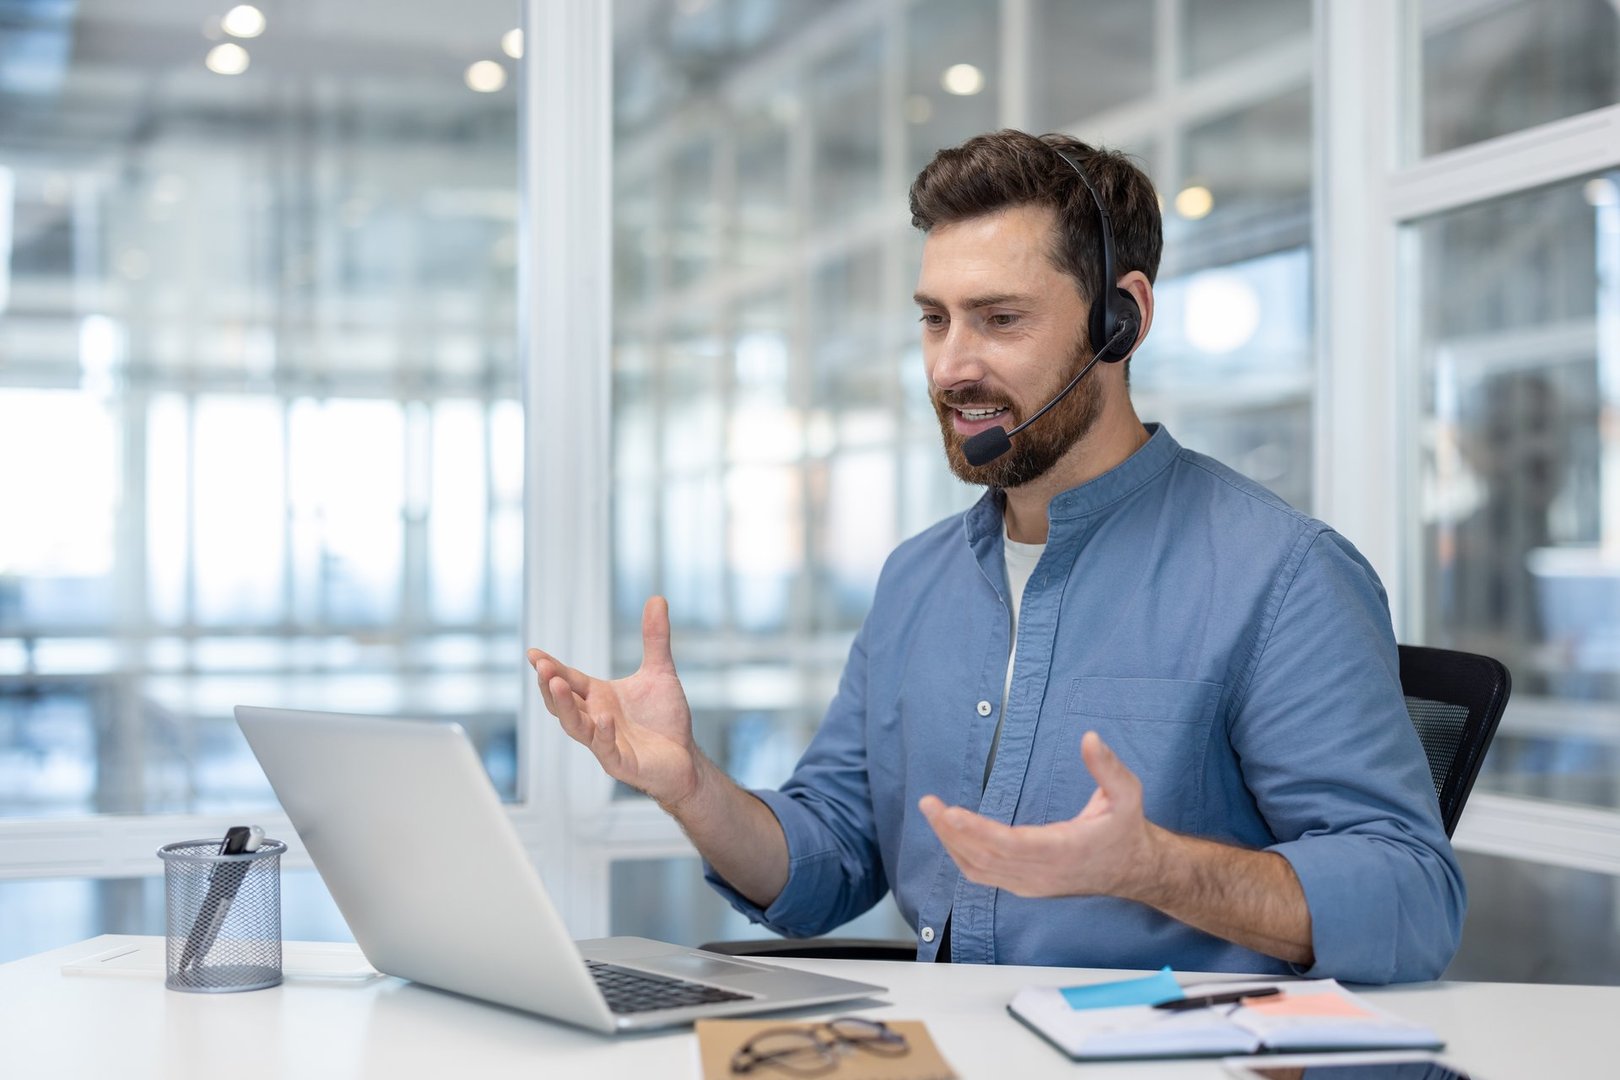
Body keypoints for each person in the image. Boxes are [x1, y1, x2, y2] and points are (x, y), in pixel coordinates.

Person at [529, 130, 1464, 983]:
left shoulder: (1284, 574)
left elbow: (1413, 898)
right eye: (934, 320)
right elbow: (830, 862)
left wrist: (1155, 869)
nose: (949, 366)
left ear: (1122, 319)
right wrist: (692, 786)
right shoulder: (918, 580)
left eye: (999, 319)